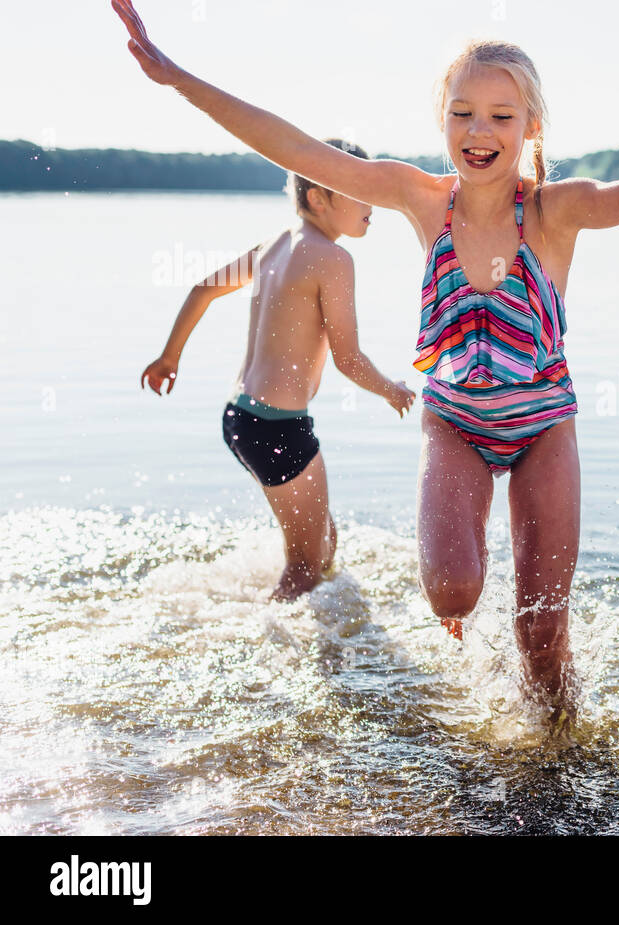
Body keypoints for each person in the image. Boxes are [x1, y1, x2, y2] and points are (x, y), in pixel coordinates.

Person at [112, 0, 619, 722]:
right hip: (454, 422)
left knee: (540, 631)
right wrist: (177, 77)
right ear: (442, 118)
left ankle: (562, 743)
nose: (479, 132)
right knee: (451, 589)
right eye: (462, 113)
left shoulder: (553, 210)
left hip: (543, 427)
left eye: (501, 117)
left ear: (530, 126)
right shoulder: (419, 198)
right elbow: (294, 148)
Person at [139, 136, 417, 601]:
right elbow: (348, 359)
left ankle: (318, 621)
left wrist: (170, 358)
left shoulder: (273, 245)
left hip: (238, 416)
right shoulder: (334, 259)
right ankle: (267, 641)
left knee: (325, 542)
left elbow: (204, 288)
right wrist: (391, 390)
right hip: (278, 427)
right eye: (357, 188)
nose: (373, 201)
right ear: (318, 197)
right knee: (307, 567)